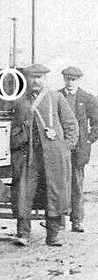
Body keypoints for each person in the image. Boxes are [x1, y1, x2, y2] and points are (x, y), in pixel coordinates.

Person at [10, 63, 78, 246]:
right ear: (26, 79)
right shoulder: (20, 101)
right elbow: (13, 127)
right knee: (24, 192)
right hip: (28, 156)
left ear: (45, 79)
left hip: (53, 157)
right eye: (32, 77)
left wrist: (65, 148)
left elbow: (71, 125)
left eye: (39, 77)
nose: (36, 80)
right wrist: (19, 140)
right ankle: (23, 234)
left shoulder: (56, 98)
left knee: (54, 193)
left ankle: (53, 235)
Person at [58, 66, 98, 232]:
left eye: (73, 79)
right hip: (61, 147)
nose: (70, 82)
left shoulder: (87, 98)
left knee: (77, 184)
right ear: (64, 79)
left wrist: (89, 139)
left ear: (78, 80)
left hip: (79, 148)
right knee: (58, 184)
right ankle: (58, 221)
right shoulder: (57, 96)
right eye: (67, 79)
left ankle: (77, 221)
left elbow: (96, 123)